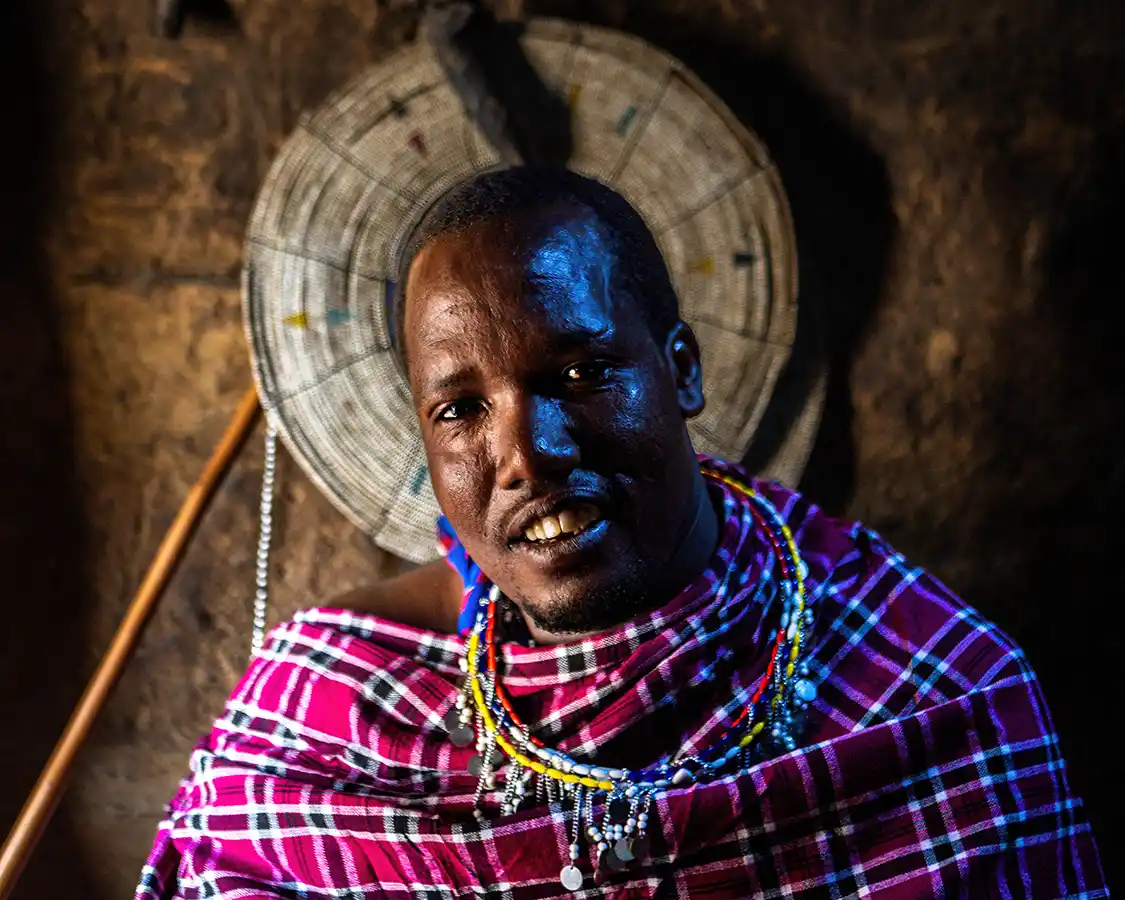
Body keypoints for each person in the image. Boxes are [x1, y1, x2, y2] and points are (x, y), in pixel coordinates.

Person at [136, 168, 1107, 899]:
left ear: (681, 372)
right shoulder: (327, 717)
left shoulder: (932, 699)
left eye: (578, 374)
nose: (527, 454)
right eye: (461, 411)